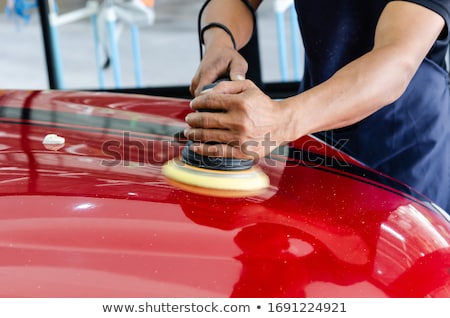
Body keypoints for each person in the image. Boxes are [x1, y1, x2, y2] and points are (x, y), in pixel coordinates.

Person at [185, 0, 450, 213]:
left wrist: (281, 121)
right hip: (314, 126)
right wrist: (220, 43)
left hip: (404, 144)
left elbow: (397, 60)